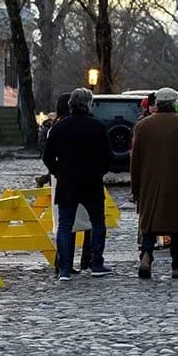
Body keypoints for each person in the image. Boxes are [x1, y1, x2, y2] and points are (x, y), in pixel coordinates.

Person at [130, 87, 178, 280]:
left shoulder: (143, 125)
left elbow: (135, 159)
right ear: (174, 103)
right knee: (177, 224)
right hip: (176, 181)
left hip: (149, 182)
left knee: (149, 223)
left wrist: (135, 187)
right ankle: (177, 266)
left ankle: (146, 254)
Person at [42, 87, 113, 281]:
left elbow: (47, 156)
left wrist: (59, 171)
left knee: (65, 225)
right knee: (98, 223)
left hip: (67, 182)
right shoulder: (97, 126)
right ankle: (96, 263)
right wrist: (99, 171)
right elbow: (108, 157)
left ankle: (64, 269)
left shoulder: (58, 128)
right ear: (89, 104)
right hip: (91, 181)